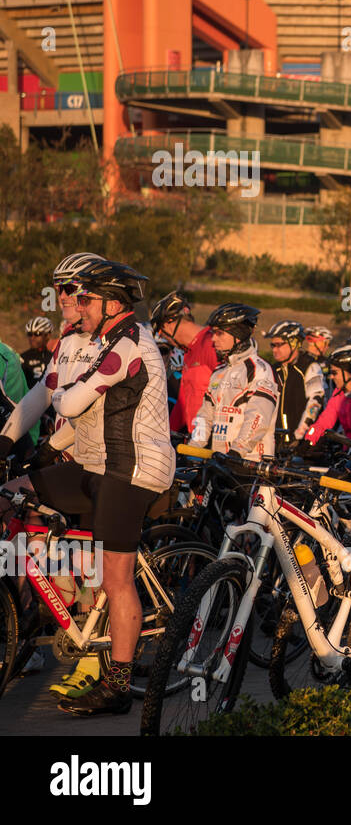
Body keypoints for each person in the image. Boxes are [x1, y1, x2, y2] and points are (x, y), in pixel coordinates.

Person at [45, 260, 174, 716]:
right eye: (76, 297)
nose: (78, 305)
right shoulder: (108, 339)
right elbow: (82, 411)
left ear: (112, 302)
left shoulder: (130, 343)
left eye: (85, 298)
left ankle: (117, 686)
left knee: (117, 580)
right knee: (25, 488)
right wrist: (43, 450)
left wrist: (59, 394)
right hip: (105, 465)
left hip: (134, 469)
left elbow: (74, 400)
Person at [0, 253, 103, 696]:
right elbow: (40, 396)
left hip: (102, 465)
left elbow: (90, 411)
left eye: (68, 289)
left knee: (95, 562)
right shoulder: (67, 340)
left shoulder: (108, 343)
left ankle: (98, 658)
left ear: (90, 295)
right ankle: (34, 623)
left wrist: (48, 448)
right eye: (56, 287)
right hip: (65, 459)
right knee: (24, 518)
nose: (58, 296)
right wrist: (5, 443)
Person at [189, 304, 279, 462]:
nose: (213, 339)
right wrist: (193, 447)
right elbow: (205, 416)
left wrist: (238, 451)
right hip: (221, 461)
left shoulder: (259, 370)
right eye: (212, 333)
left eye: (219, 333)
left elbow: (258, 416)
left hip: (249, 462)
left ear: (239, 335)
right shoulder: (218, 373)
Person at [150, 290, 220, 435]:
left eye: (161, 332)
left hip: (211, 438)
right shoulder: (189, 351)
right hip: (194, 438)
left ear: (169, 324)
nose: (163, 337)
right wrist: (168, 434)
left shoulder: (210, 343)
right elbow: (183, 401)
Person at [265, 320, 326, 442]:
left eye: (279, 345)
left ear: (294, 344)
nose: (274, 350)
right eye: (273, 345)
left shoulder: (310, 367)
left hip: (299, 443)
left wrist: (299, 435)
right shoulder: (273, 369)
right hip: (273, 442)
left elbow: (315, 402)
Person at [21, 316, 55, 388]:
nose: (32, 338)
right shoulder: (22, 358)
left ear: (47, 336)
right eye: (30, 334)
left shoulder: (54, 357)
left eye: (37, 333)